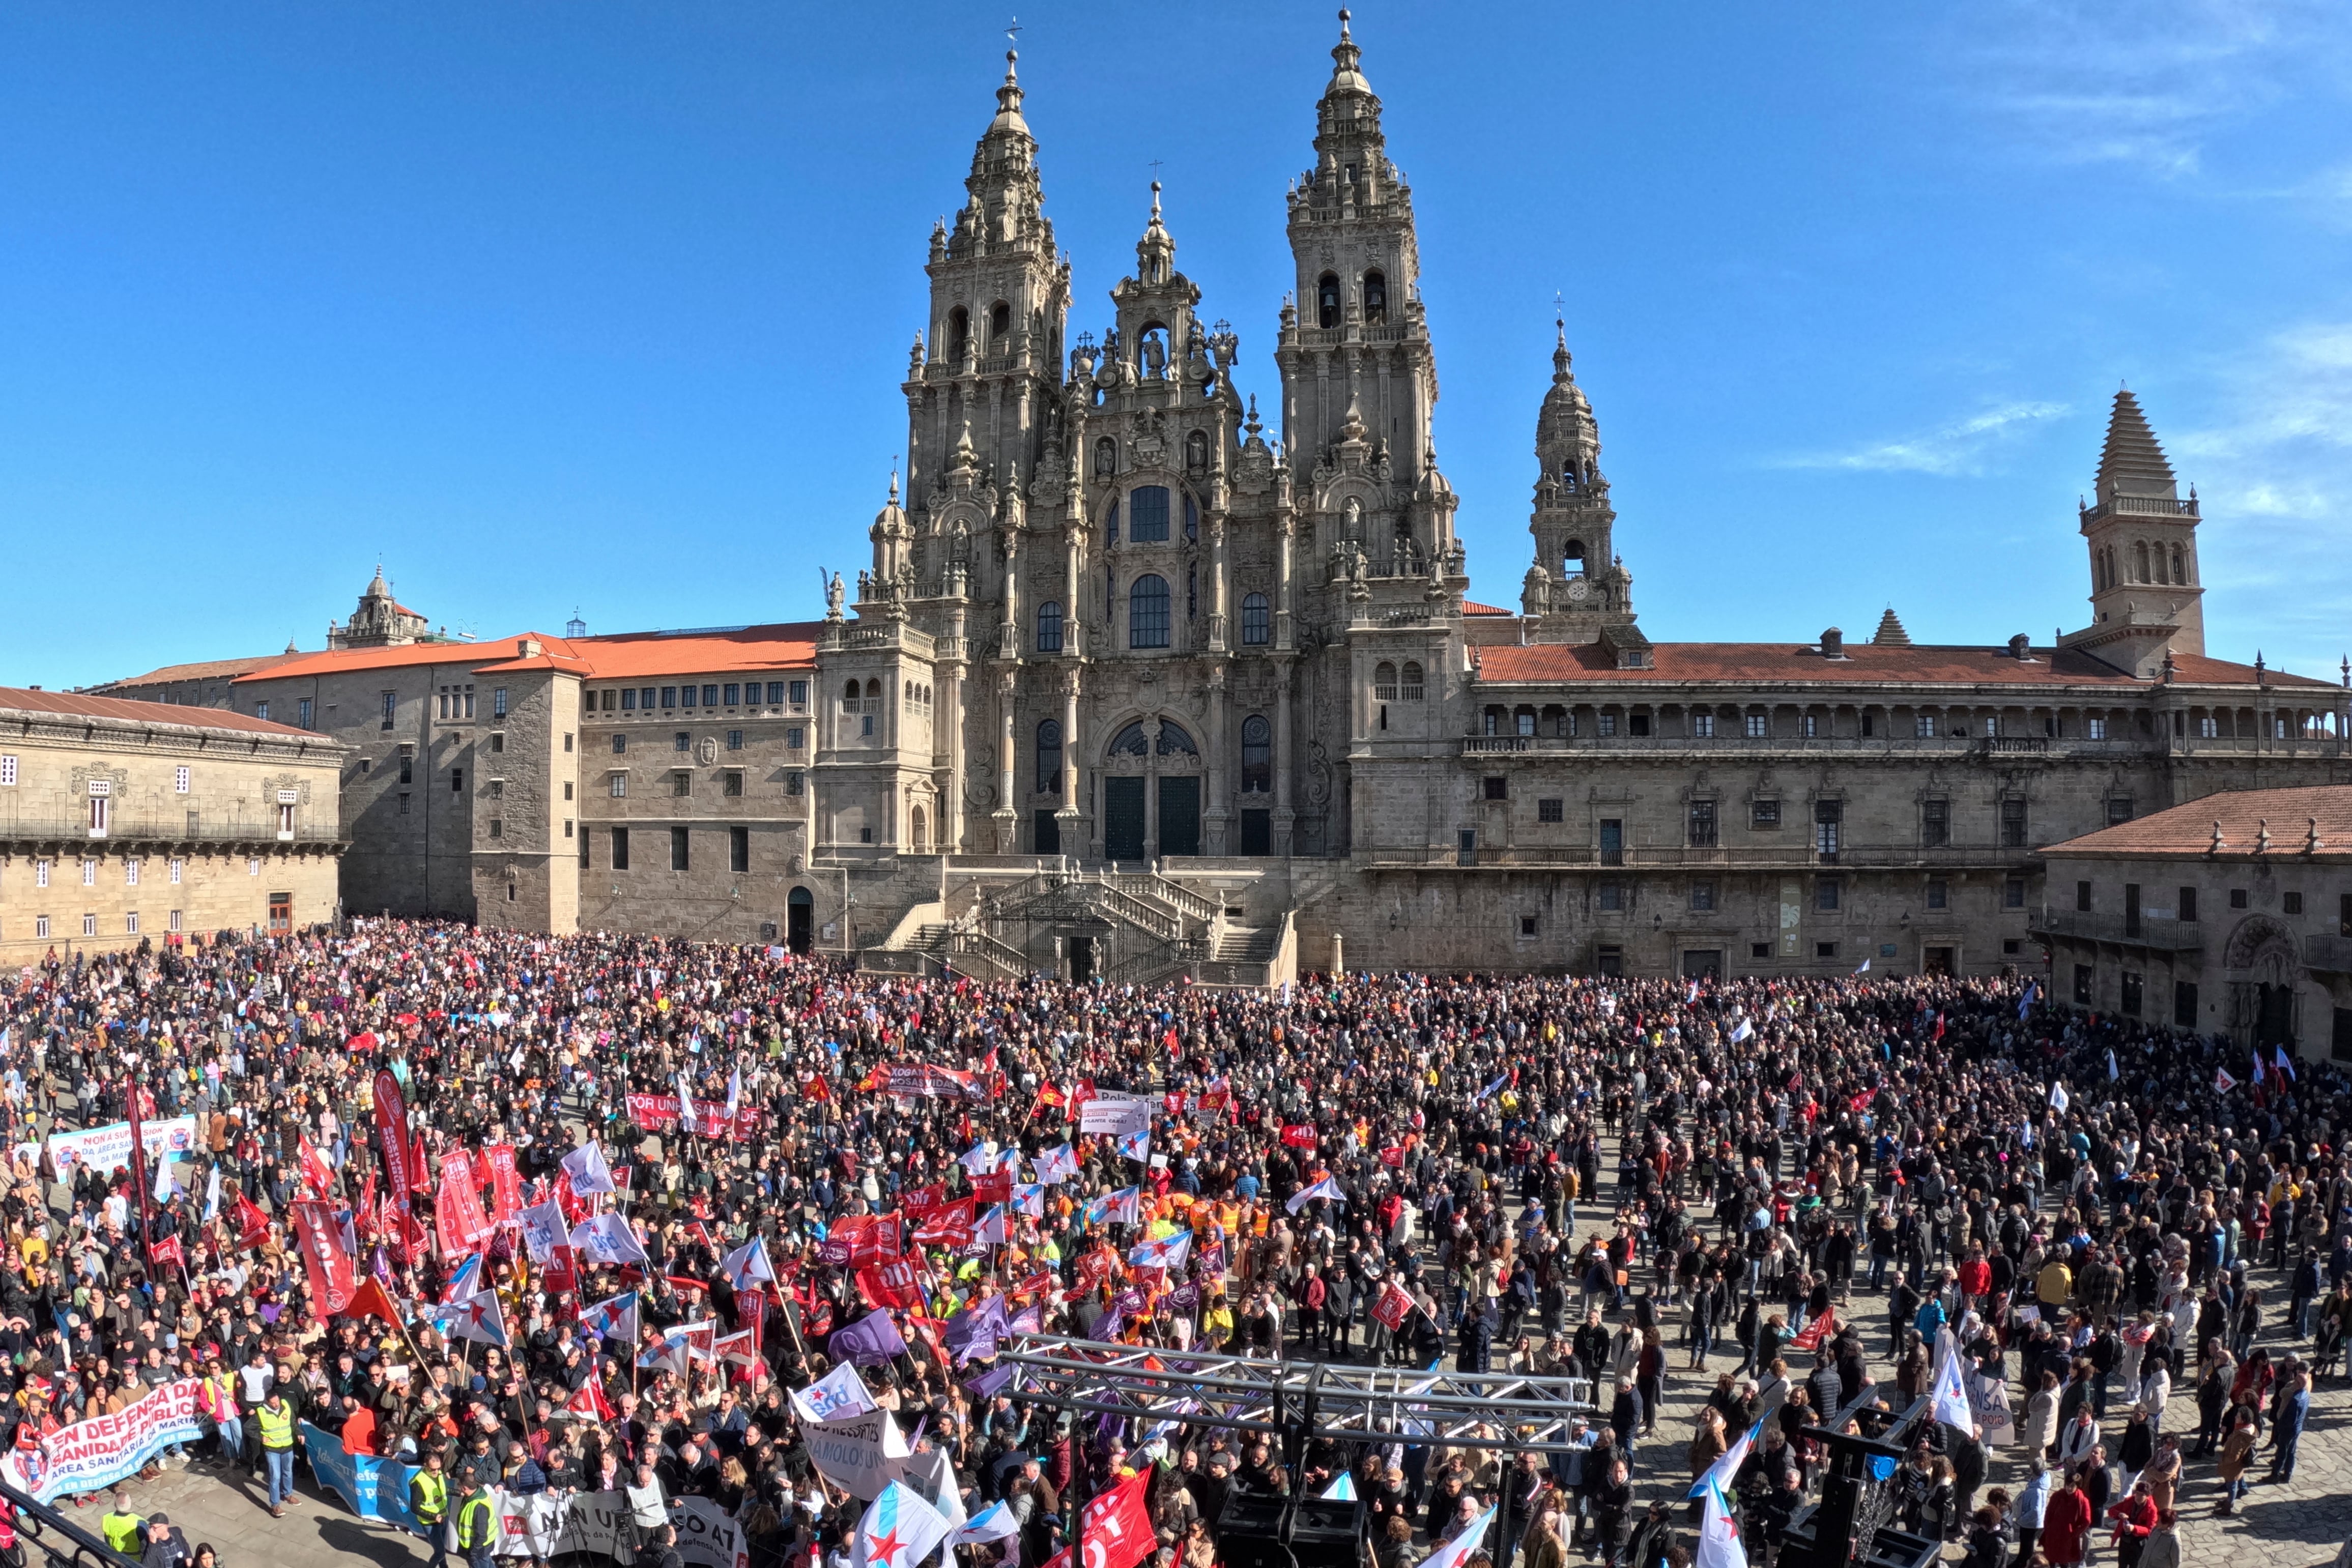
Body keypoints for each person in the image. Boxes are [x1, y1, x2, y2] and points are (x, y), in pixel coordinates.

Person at [255, 1387, 298, 1519]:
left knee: (288, 1472)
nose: (276, 1404)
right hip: (272, 1449)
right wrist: (260, 1437)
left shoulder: (286, 1405)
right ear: (267, 1402)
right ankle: (275, 1505)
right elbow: (248, 1428)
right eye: (273, 1403)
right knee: (275, 1477)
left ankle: (288, 1495)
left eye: (277, 1401)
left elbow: (293, 1423)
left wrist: (300, 1433)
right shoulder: (261, 1412)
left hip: (287, 1447)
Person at [412, 1451, 454, 1568]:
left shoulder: (439, 1474)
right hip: (430, 1522)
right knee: (440, 1551)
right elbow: (415, 1508)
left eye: (438, 1468)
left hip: (443, 1517)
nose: (436, 1472)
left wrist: (458, 1492)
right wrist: (434, 1516)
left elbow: (444, 1490)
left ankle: (444, 1566)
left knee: (442, 1548)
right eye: (433, 1469)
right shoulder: (418, 1482)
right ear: (426, 1466)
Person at [454, 1476, 499, 1568]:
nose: (458, 1488)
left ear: (465, 1488)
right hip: (484, 1548)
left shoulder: (479, 1507)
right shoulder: (479, 1494)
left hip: (478, 1551)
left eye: (459, 1485)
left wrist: (473, 1553)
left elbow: (481, 1535)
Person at [98, 1492, 145, 1557]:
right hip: (136, 1559)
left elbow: (107, 1539)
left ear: (115, 1505)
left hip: (117, 1556)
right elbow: (146, 1543)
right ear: (130, 1503)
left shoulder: (107, 1518)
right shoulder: (139, 1522)